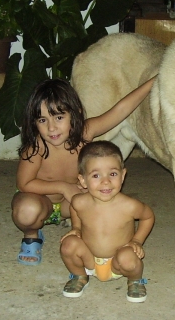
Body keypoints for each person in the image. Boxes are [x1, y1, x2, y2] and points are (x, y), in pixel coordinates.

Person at [12, 77, 154, 266]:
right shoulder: (36, 147)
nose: (51, 127)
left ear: (75, 113)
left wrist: (153, 81)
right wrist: (63, 187)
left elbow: (120, 110)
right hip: (42, 201)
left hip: (71, 205)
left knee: (105, 198)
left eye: (59, 117)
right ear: (34, 122)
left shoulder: (85, 133)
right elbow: (24, 184)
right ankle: (32, 236)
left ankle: (95, 240)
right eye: (42, 120)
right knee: (27, 211)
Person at [60, 141, 155, 302]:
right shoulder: (79, 201)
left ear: (123, 175)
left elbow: (148, 216)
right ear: (83, 180)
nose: (105, 182)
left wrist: (137, 241)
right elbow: (74, 208)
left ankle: (135, 280)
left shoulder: (129, 205)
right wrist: (76, 227)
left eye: (112, 174)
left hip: (118, 261)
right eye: (96, 175)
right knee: (68, 244)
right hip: (88, 259)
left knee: (129, 258)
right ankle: (79, 276)